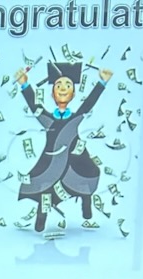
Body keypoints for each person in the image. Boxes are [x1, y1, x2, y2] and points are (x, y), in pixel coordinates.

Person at [16, 61, 113, 231]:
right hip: (52, 160)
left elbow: (88, 103)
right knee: (45, 186)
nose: (63, 88)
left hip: (76, 160)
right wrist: (24, 84)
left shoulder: (75, 118)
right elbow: (34, 105)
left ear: (73, 94)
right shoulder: (47, 119)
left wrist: (102, 82)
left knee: (89, 175)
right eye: (58, 85)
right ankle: (41, 219)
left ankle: (86, 203)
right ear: (53, 94)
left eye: (68, 85)